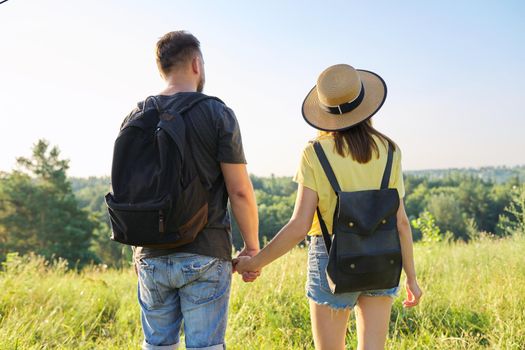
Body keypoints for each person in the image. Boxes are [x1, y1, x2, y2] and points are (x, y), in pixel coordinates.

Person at [235, 64, 423, 350]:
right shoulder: (390, 151)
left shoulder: (315, 153)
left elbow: (299, 226)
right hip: (382, 254)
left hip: (330, 257)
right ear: (365, 104)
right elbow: (401, 223)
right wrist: (411, 277)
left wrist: (254, 262)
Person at [125, 31, 260, 350]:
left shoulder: (137, 115)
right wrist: (252, 248)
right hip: (205, 250)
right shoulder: (217, 113)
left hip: (151, 254)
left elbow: (131, 191)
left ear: (162, 68)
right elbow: (239, 190)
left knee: (157, 345)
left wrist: (137, 250)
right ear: (196, 64)